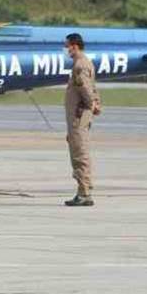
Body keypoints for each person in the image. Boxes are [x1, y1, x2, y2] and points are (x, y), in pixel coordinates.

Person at [63, 33, 102, 207]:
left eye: (67, 46)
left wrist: (92, 104)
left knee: (79, 154)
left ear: (74, 46)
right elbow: (92, 87)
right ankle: (83, 190)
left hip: (78, 117)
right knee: (80, 151)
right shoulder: (86, 62)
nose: (66, 49)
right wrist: (95, 103)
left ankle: (84, 192)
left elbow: (86, 88)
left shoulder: (79, 65)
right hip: (80, 116)